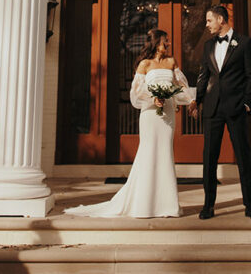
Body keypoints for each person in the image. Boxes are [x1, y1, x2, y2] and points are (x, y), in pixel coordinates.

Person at [64, 28, 194, 218]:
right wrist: (153, 99)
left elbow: (181, 85)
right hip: (150, 114)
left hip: (167, 115)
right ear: (156, 42)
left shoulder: (171, 62)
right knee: (148, 153)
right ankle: (144, 205)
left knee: (166, 152)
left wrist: (189, 100)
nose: (167, 44)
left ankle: (167, 205)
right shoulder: (144, 64)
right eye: (165, 41)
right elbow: (136, 93)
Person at [188, 4, 251, 220]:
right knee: (209, 159)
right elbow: (204, 75)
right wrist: (197, 100)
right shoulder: (208, 45)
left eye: (209, 20)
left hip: (236, 108)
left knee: (243, 157)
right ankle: (208, 206)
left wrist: (247, 103)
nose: (207, 24)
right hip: (212, 109)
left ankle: (250, 206)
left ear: (221, 19)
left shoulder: (244, 43)